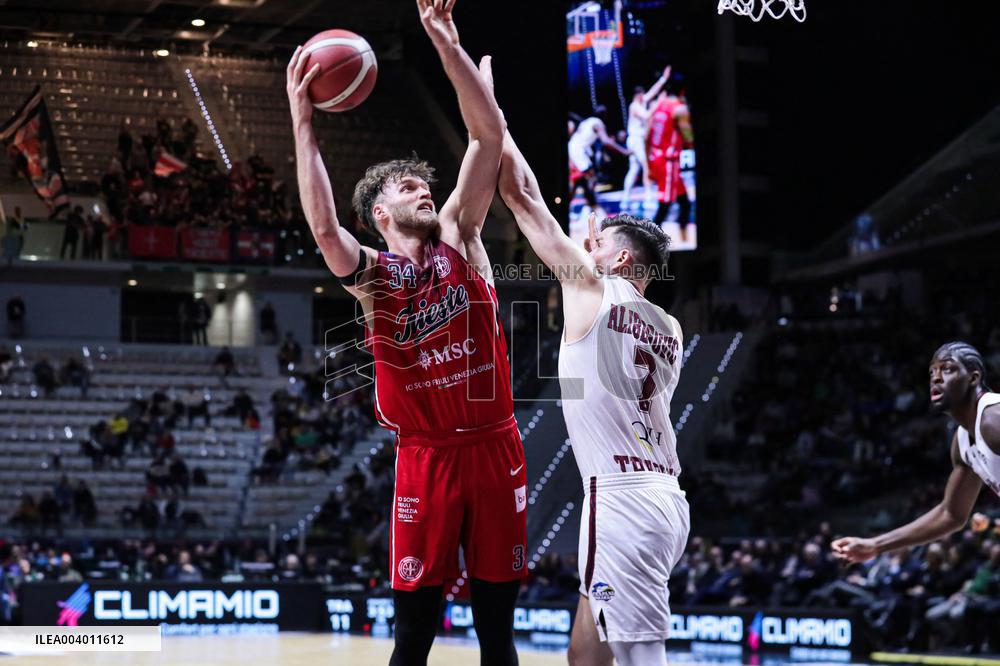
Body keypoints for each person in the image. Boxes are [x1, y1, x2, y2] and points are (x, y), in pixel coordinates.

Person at [287, 2, 524, 664]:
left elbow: (486, 140)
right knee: (413, 637)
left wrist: (445, 44)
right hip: (426, 457)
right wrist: (303, 119)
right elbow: (326, 232)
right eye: (405, 185)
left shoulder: (459, 235)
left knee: (496, 635)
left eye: (424, 182)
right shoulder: (371, 276)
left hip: (494, 446)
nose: (422, 187)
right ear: (379, 214)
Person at [495, 63, 688, 666]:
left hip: (623, 496)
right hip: (664, 493)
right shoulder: (672, 329)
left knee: (638, 654)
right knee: (588, 649)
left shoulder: (593, 289)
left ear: (621, 258)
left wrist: (490, 116)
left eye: (597, 241)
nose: (586, 245)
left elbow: (523, 196)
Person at [833, 342, 1000, 563]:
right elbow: (950, 515)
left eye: (947, 369)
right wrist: (876, 545)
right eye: (933, 371)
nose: (936, 378)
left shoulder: (993, 419)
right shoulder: (963, 441)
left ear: (973, 378)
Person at [647, 82, 694, 243]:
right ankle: (648, 242)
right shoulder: (679, 108)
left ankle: (685, 240)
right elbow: (689, 138)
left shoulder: (658, 105)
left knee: (685, 203)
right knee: (665, 205)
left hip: (656, 157)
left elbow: (647, 135)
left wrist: (648, 165)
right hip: (668, 162)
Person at [623, 66, 671, 200]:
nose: (645, 96)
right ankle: (648, 195)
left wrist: (663, 79)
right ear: (637, 95)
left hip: (635, 140)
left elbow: (653, 91)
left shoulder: (641, 101)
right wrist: (659, 103)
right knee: (646, 164)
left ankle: (625, 198)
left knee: (634, 169)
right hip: (636, 139)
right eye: (642, 94)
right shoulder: (634, 106)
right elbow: (647, 115)